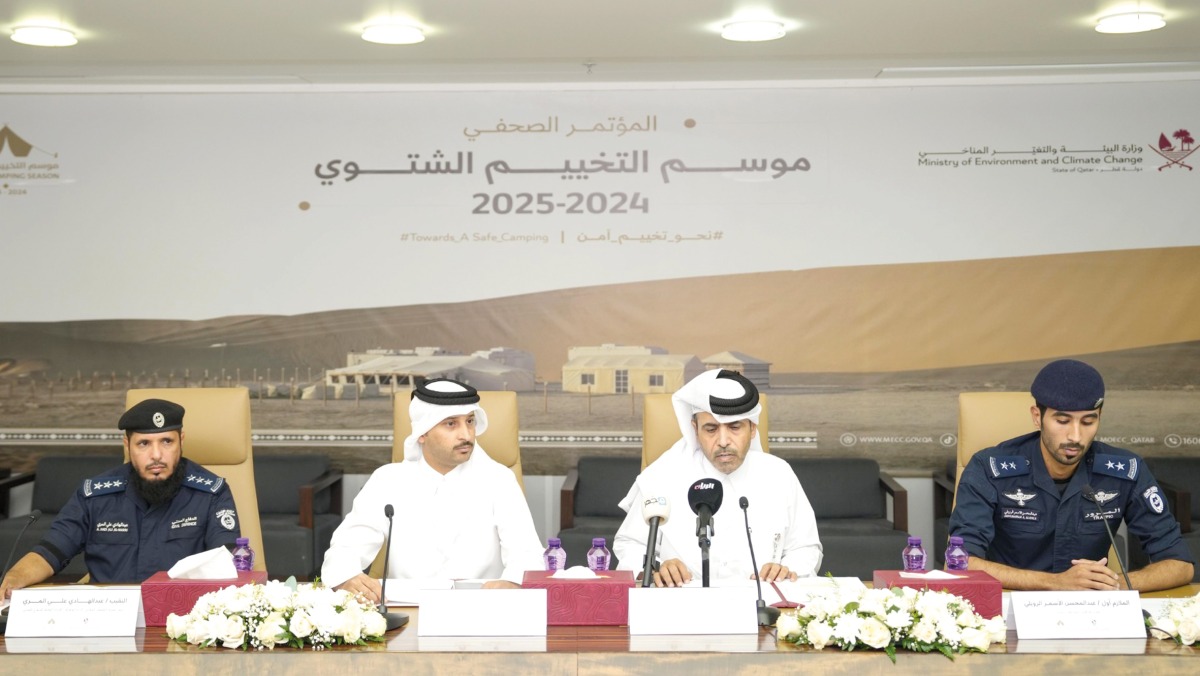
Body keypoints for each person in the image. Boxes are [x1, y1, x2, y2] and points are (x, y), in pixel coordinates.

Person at [949, 359, 1194, 592]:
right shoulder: (989, 468)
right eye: (1063, 421)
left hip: (1091, 608)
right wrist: (1055, 583)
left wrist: (1109, 585)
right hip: (1009, 605)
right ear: (1037, 417)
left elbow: (1180, 564)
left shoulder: (1125, 470)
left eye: (1088, 422)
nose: (1075, 436)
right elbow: (960, 563)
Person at [321, 378, 544, 603]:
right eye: (451, 424)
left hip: (481, 609)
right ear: (422, 433)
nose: (467, 435)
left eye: (470, 421)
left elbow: (526, 553)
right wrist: (346, 577)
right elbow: (346, 549)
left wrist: (513, 582)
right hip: (406, 610)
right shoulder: (387, 480)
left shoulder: (499, 480)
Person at [1, 398, 241, 597]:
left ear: (181, 441)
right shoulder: (95, 495)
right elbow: (52, 550)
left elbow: (226, 563)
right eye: (144, 443)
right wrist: (15, 577)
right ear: (127, 445)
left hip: (182, 620)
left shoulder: (211, 493)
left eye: (167, 441)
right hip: (107, 619)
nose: (156, 455)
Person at [613, 369, 822, 586]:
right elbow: (630, 544)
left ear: (752, 429)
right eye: (711, 429)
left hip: (762, 599)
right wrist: (656, 568)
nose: (723, 441)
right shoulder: (663, 475)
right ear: (695, 429)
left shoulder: (779, 474)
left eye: (734, 427)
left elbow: (805, 548)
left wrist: (785, 570)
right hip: (681, 598)